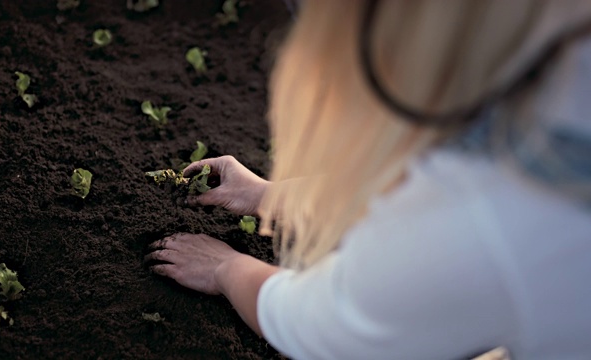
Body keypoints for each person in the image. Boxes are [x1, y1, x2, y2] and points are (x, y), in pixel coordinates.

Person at [144, 1, 591, 359]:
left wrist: (226, 268)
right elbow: (423, 180)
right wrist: (268, 194)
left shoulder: (488, 228)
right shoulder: (556, 49)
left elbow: (327, 329)